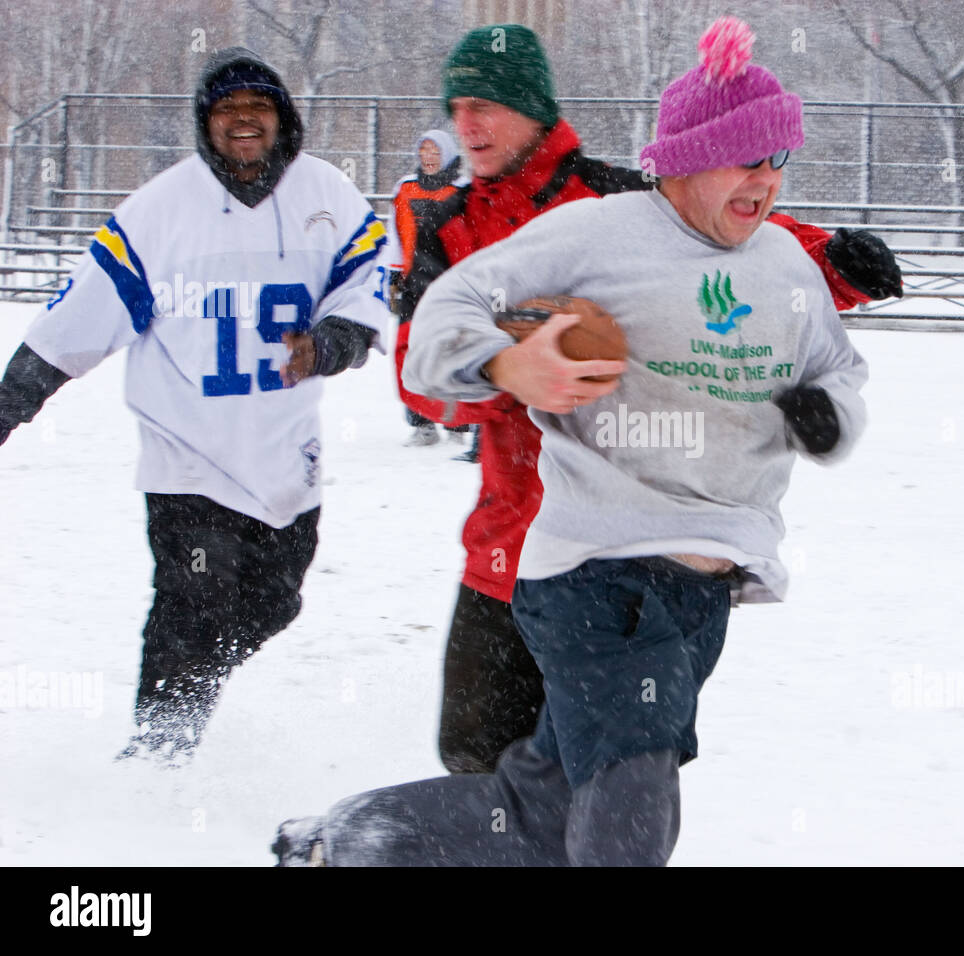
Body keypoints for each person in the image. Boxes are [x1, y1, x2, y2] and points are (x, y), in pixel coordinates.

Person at [273, 16, 868, 866]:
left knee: (543, 807)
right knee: (631, 793)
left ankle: (346, 838)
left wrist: (829, 414)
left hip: (707, 586)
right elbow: (441, 318)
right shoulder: (596, 232)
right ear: (689, 158)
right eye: (746, 158)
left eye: (778, 161)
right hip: (596, 570)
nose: (765, 181)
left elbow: (839, 371)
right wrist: (510, 367)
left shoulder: (781, 263)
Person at [392, 23, 902, 777]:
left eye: (490, 104)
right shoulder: (449, 226)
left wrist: (836, 262)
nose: (468, 124)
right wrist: (510, 371)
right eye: (458, 104)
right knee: (483, 759)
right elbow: (420, 368)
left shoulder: (611, 194)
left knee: (607, 775)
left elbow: (730, 253)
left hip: (637, 549)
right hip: (514, 534)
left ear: (535, 110)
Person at [0, 47, 391, 764]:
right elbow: (75, 323)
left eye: (258, 110)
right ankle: (158, 748)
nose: (244, 123)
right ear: (205, 125)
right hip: (186, 454)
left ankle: (189, 689)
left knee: (275, 605)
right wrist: (8, 406)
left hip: (284, 456)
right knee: (193, 603)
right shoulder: (158, 210)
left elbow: (367, 286)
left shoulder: (327, 196)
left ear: (283, 120)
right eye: (227, 111)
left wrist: (331, 343)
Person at [384, 128, 473, 450]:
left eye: (435, 150)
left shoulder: (464, 190)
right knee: (412, 356)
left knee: (453, 353)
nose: (428, 157)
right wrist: (393, 275)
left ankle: (459, 421)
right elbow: (395, 235)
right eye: (424, 150)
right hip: (413, 287)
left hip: (452, 287)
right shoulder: (405, 189)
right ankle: (421, 422)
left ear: (447, 154)